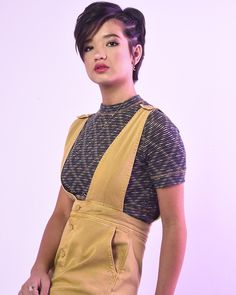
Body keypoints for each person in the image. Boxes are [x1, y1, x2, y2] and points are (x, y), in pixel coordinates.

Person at [18, 2, 187, 295]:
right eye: (88, 47)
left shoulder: (156, 129)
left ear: (136, 53)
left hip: (106, 287)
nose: (98, 54)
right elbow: (61, 213)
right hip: (57, 282)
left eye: (111, 42)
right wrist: (38, 270)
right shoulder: (79, 128)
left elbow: (174, 225)